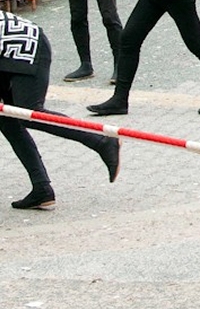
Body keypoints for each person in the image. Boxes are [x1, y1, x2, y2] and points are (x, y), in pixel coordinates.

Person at [1, 11, 121, 210]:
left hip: (27, 47)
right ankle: (42, 189)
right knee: (7, 118)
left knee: (30, 113)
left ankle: (102, 141)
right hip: (7, 51)